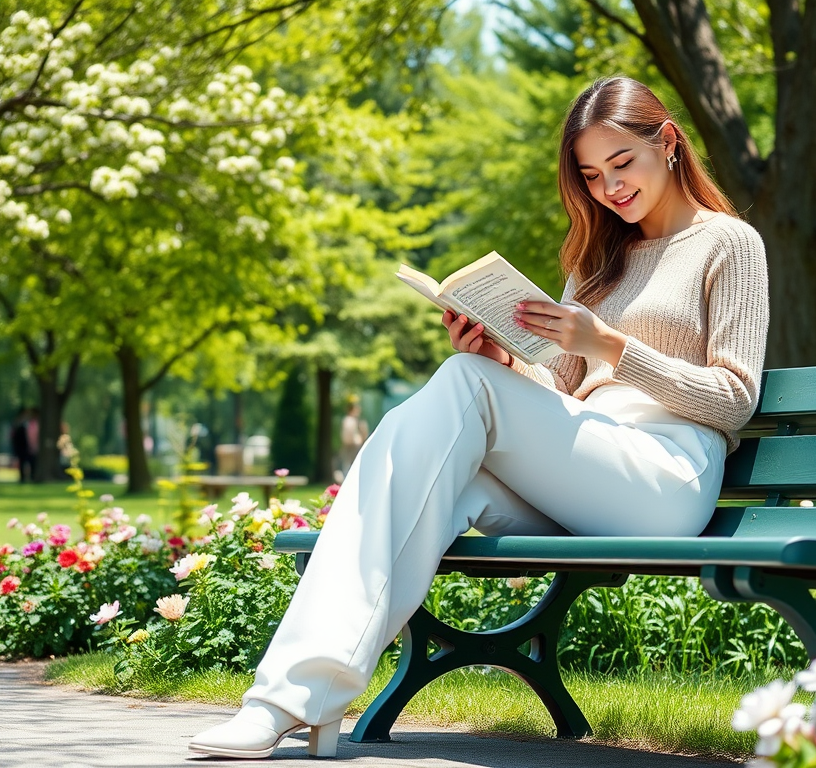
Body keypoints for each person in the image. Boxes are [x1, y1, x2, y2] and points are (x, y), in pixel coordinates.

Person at [189, 75, 769, 759]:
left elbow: (735, 398)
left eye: (622, 164)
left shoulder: (730, 245)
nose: (609, 188)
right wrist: (501, 355)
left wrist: (609, 346)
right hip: (585, 467)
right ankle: (294, 700)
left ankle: (292, 700)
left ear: (667, 142)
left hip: (665, 476)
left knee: (464, 388)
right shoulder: (596, 262)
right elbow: (559, 388)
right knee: (426, 461)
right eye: (590, 176)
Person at [339, 398, 368, 476]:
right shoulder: (350, 420)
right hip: (352, 445)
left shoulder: (356, 421)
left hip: (355, 446)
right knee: (349, 465)